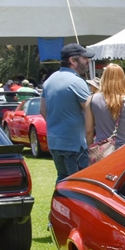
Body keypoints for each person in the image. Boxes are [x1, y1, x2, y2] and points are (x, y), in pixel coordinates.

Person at [40, 43, 95, 181]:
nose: (87, 61)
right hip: (75, 144)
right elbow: (90, 112)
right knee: (80, 183)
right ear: (72, 60)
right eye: (84, 58)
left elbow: (42, 111)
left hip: (55, 143)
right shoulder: (77, 82)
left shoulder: (49, 80)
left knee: (63, 180)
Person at [85, 63, 125, 157]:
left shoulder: (91, 100)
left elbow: (89, 131)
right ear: (123, 79)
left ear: (103, 78)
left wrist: (91, 148)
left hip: (102, 152)